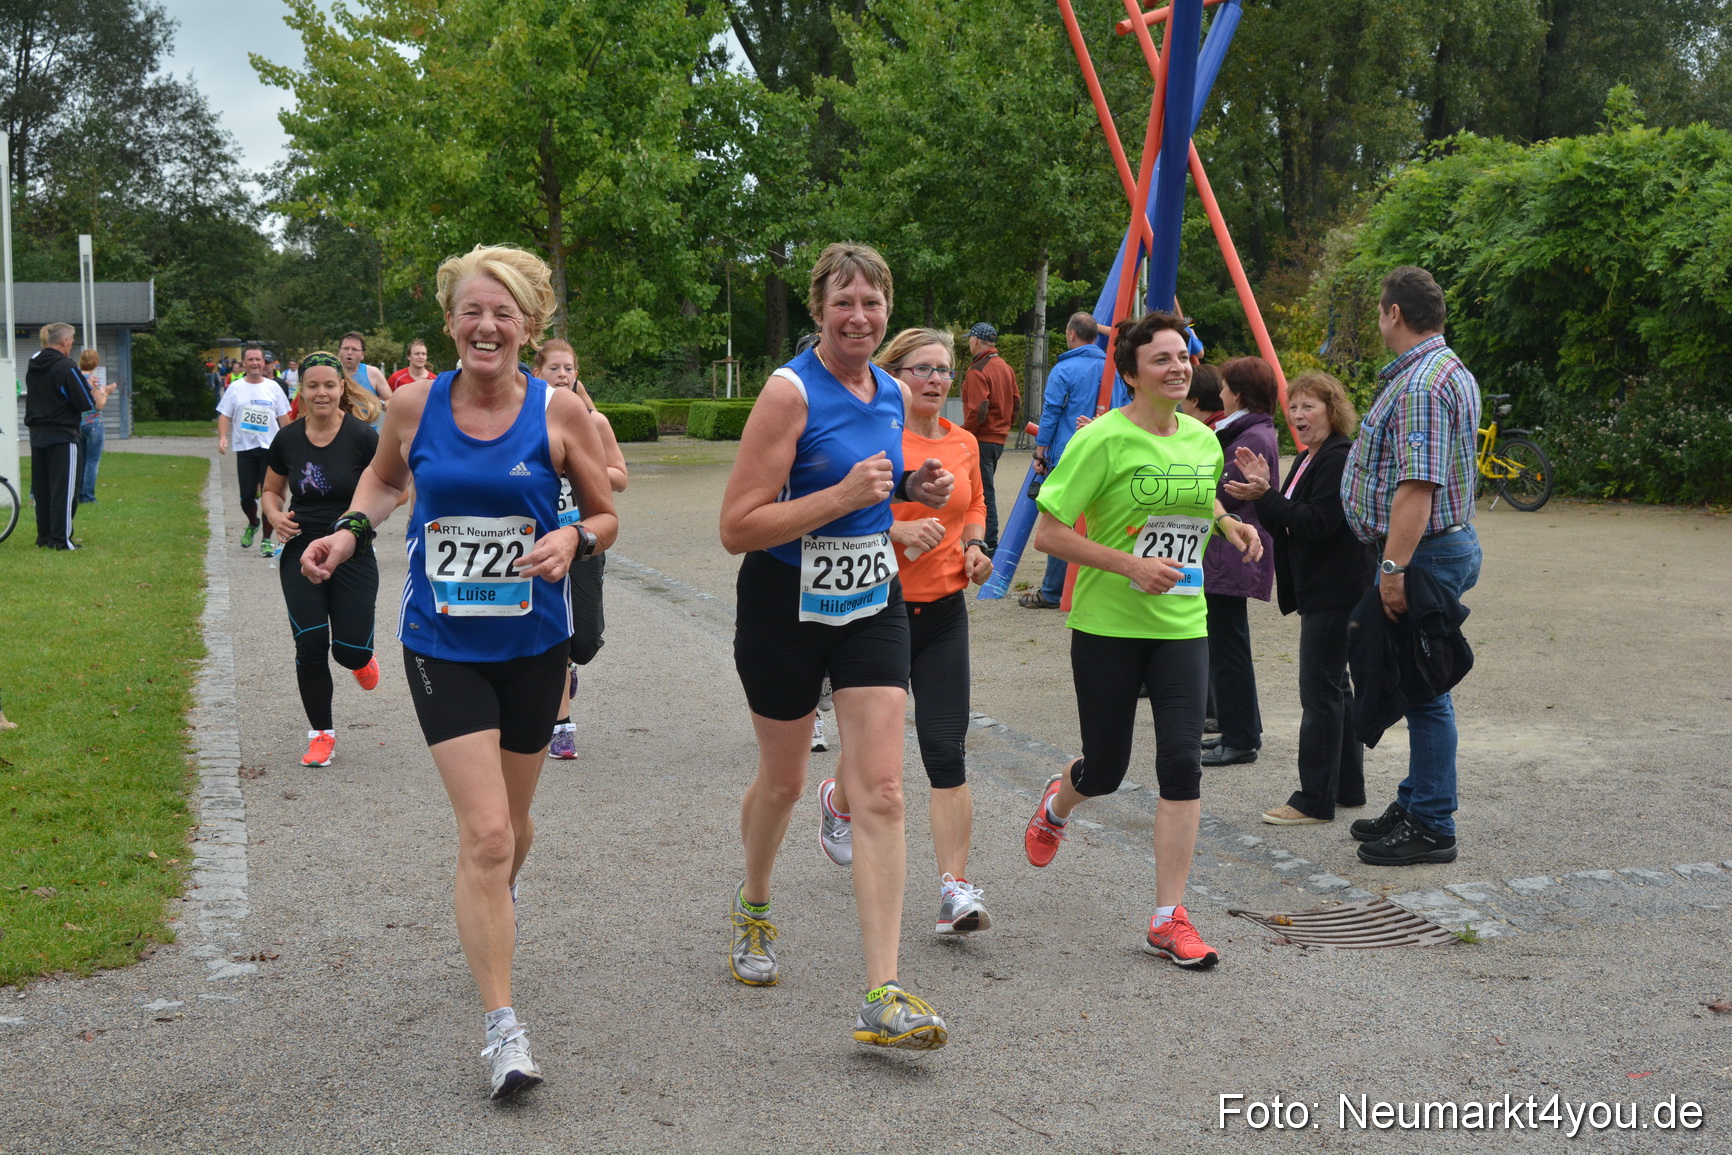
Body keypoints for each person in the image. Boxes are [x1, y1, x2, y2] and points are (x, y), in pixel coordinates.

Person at [300, 244, 616, 1099]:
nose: (487, 326)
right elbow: (381, 480)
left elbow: (606, 510)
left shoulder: (560, 411)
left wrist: (573, 537)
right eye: (473, 311)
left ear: (528, 326)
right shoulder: (412, 404)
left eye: (504, 312)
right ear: (450, 323)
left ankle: (491, 909)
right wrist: (348, 533)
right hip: (442, 646)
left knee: (512, 831)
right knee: (484, 834)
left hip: (535, 644)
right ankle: (503, 1030)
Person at [719, 241, 955, 1049]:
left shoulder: (889, 388)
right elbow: (736, 526)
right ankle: (754, 905)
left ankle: (882, 991)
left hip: (868, 595)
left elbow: (868, 491)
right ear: (819, 309)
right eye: (843, 302)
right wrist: (841, 496)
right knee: (782, 781)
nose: (859, 316)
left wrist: (904, 492)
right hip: (783, 602)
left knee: (884, 787)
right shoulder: (788, 393)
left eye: (872, 302)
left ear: (888, 308)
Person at [1024, 310, 1264, 969]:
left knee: (1181, 763)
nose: (1179, 366)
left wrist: (1230, 524)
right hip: (1109, 626)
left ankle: (1168, 916)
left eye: (1183, 355)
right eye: (1161, 358)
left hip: (1183, 625)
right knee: (1105, 768)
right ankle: (1059, 799)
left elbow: (1198, 500)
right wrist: (1129, 564)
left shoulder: (1202, 439)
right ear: (1131, 373)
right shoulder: (1101, 440)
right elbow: (1048, 534)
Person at [819, 326, 995, 935]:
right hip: (879, 610)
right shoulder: (876, 438)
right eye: (921, 369)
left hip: (945, 611)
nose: (935, 381)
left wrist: (975, 547)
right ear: (895, 375)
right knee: (876, 752)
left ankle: (955, 889)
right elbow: (841, 509)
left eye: (944, 370)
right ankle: (837, 801)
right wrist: (894, 533)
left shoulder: (964, 441)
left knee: (946, 749)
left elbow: (974, 506)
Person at [1340, 266, 1482, 866]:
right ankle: (1418, 798)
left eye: (1379, 310)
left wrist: (1393, 567)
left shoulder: (1422, 382)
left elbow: (1417, 488)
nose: (1379, 319)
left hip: (1420, 554)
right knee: (1418, 680)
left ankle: (1432, 823)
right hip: (1429, 549)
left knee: (1425, 691)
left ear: (1394, 312)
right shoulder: (1444, 369)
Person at [1224, 372, 1376, 824]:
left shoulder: (1338, 455)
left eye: (1308, 406)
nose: (1297, 415)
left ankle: (1313, 800)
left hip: (1337, 589)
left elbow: (1317, 523)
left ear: (1332, 409)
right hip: (1326, 588)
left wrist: (1267, 495)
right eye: (1293, 407)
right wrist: (1263, 494)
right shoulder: (1311, 457)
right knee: (1335, 689)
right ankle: (1346, 788)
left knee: (1320, 692)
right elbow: (1288, 524)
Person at [262, 352, 385, 768]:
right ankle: (321, 735)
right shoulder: (287, 439)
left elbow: (393, 486)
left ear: (341, 389)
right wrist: (275, 515)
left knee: (347, 651)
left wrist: (358, 523)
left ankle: (361, 657)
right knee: (310, 643)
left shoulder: (363, 436)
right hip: (300, 548)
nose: (321, 393)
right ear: (301, 390)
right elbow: (271, 491)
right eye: (312, 385)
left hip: (352, 548)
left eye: (329, 385)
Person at [531, 338, 628, 761]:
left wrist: (578, 463)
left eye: (569, 368)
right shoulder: (527, 422)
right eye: (554, 368)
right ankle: (561, 726)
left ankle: (569, 665)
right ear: (537, 374)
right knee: (554, 634)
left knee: (584, 642)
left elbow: (620, 478)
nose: (563, 375)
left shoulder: (595, 422)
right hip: (540, 543)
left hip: (584, 539)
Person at [1199, 357, 1280, 768]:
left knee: (1229, 648)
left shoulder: (1250, 437)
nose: (1219, 394)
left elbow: (1221, 492)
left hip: (1232, 554)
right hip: (1228, 554)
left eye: (1226, 387)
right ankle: (1239, 730)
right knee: (1228, 645)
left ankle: (1241, 737)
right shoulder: (1247, 431)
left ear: (1240, 393)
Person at [1022, 312, 1112, 610]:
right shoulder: (1112, 369)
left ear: (1071, 334)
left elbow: (1050, 413)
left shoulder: (1064, 369)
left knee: (1060, 523)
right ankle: (1096, 587)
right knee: (1103, 522)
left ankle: (1053, 590)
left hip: (1067, 454)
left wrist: (1040, 451)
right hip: (1107, 453)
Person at [215, 344, 293, 558]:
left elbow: (284, 417)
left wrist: (291, 444)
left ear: (264, 363)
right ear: (244, 363)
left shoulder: (273, 387)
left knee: (270, 495)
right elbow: (224, 415)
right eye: (250, 360)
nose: (255, 363)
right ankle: (253, 522)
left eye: (258, 359)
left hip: (270, 449)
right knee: (247, 497)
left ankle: (267, 540)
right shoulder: (236, 388)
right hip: (246, 449)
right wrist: (222, 437)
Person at [24, 323, 94, 550]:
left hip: (37, 434)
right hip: (63, 435)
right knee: (64, 490)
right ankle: (61, 540)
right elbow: (85, 401)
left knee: (43, 489)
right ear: (64, 340)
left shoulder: (33, 365)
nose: (73, 342)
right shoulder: (66, 367)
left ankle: (44, 536)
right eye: (72, 338)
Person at [960, 321, 1020, 552]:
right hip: (998, 439)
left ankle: (989, 543)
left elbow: (978, 408)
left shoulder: (978, 370)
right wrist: (1004, 427)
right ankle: (987, 539)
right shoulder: (1006, 367)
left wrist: (965, 433)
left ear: (975, 340)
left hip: (981, 439)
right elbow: (1016, 404)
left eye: (969, 339)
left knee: (983, 494)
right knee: (985, 490)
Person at [76, 349, 115, 504]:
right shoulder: (94, 380)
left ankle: (79, 494)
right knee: (92, 462)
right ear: (96, 362)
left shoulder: (76, 378)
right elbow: (99, 404)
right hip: (93, 424)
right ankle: (88, 496)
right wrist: (107, 392)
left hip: (78, 423)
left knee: (82, 460)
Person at [338, 331, 394, 414]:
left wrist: (380, 404)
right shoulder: (330, 372)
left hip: (367, 425)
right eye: (346, 348)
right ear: (339, 351)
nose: (349, 352)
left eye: (354, 349)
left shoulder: (373, 373)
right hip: (338, 426)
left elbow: (391, 402)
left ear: (363, 355)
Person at [1180, 362, 1225, 428]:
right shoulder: (1228, 423)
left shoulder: (1213, 433)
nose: (1179, 403)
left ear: (1194, 401)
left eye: (1181, 398)